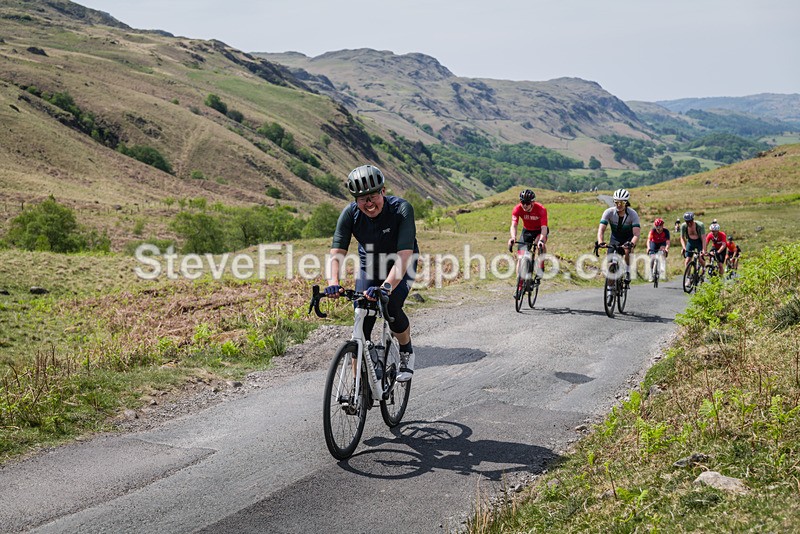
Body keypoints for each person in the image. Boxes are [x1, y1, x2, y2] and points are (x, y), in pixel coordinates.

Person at [324, 164, 419, 382]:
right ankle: (359, 385)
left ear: (383, 191)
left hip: (402, 262)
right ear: (355, 200)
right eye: (362, 199)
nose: (369, 204)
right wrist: (332, 282)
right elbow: (336, 253)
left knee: (391, 305)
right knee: (361, 317)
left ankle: (406, 351)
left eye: (373, 196)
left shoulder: (402, 209)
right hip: (371, 265)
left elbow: (404, 256)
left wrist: (385, 287)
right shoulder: (350, 214)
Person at [596, 188, 641, 285]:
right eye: (616, 202)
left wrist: (631, 243)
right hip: (615, 238)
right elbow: (601, 230)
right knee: (610, 265)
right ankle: (610, 290)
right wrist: (600, 241)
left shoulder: (633, 214)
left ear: (626, 203)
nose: (619, 205)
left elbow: (636, 234)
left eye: (622, 203)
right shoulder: (609, 212)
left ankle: (627, 272)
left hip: (628, 238)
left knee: (627, 251)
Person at [507, 189, 548, 286]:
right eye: (522, 202)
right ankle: (519, 284)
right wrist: (513, 238)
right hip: (527, 231)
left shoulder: (541, 209)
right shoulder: (517, 209)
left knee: (540, 245)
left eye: (527, 203)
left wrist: (541, 241)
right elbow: (514, 225)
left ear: (532, 202)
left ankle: (540, 265)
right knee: (521, 257)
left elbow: (544, 228)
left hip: (539, 231)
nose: (525, 205)